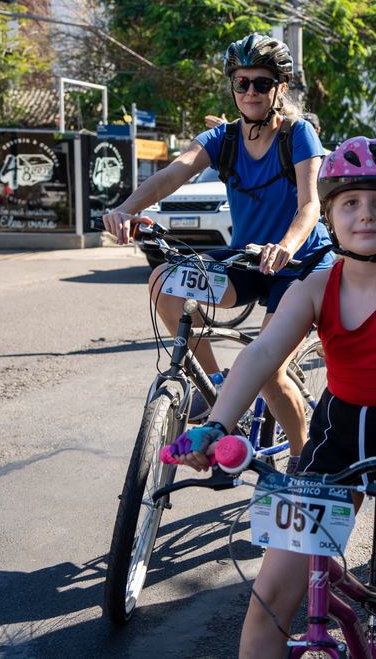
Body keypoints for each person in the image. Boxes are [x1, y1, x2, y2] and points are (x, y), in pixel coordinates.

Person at [171, 136, 376, 659]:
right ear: (329, 215)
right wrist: (216, 425)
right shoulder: (314, 286)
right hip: (334, 439)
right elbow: (263, 351)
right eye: (350, 202)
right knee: (268, 603)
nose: (366, 214)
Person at [103, 33, 333, 472]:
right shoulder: (222, 138)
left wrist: (285, 246)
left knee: (267, 371)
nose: (250, 91)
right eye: (241, 82)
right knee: (164, 281)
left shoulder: (298, 133)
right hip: (248, 259)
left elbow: (310, 205)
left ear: (281, 88)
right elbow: (172, 175)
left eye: (262, 83)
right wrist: (127, 209)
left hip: (301, 264)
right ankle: (215, 385)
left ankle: (302, 459)